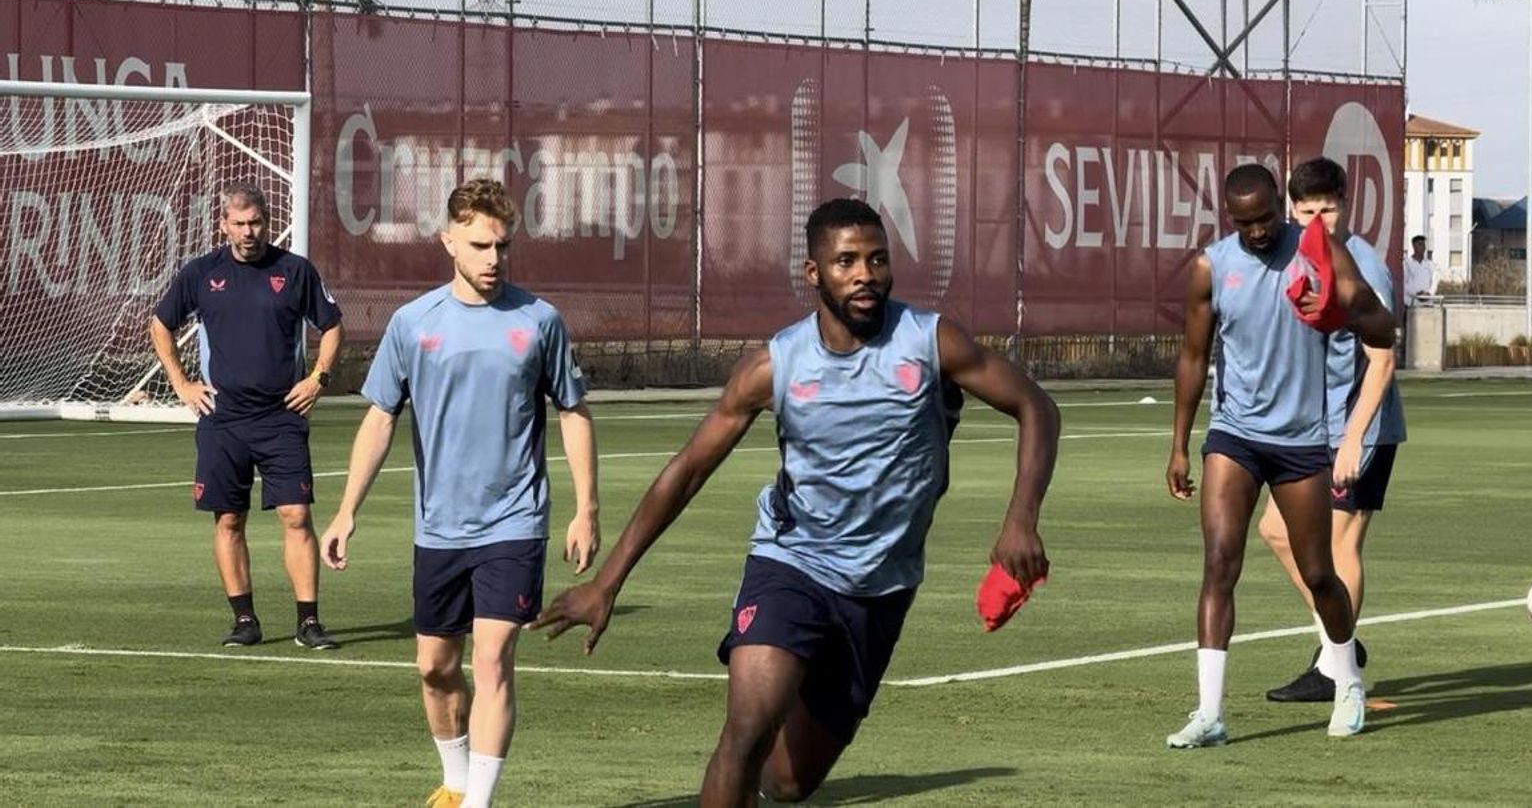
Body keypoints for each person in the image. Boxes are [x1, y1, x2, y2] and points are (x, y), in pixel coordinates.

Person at [532, 198, 1058, 805]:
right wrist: (607, 582)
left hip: (881, 587)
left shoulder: (930, 341)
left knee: (787, 780)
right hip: (791, 563)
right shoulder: (775, 366)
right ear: (814, 273)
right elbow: (688, 469)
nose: (864, 275)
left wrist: (1021, 519)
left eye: (877, 260)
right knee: (747, 730)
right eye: (846, 262)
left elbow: (1036, 407)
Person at [319, 178, 600, 808]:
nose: (493, 258)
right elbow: (380, 418)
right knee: (434, 668)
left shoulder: (539, 320)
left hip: (515, 521)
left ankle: (479, 803)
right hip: (439, 528)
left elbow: (573, 412)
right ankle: (455, 782)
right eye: (479, 245)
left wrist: (587, 508)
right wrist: (345, 512)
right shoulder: (412, 323)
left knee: (493, 659)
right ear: (448, 242)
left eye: (502, 245)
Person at [1165, 163, 1395, 747]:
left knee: (1320, 573)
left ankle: (1347, 680)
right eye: (1245, 223)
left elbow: (1383, 329)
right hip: (1234, 435)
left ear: (1278, 206)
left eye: (1266, 218)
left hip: (1301, 443)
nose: (1258, 231)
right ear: (1230, 218)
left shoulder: (1321, 253)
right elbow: (1193, 357)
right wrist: (1179, 445)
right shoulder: (1211, 266)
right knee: (1220, 563)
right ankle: (1209, 713)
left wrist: (1338, 307)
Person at [150, 181, 344, 650]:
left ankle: (308, 622)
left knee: (296, 515)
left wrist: (317, 378)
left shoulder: (294, 270)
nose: (248, 232)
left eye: (255, 222)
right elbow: (160, 325)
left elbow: (332, 325)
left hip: (281, 417)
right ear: (223, 225)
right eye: (238, 223)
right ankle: (244, 620)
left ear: (267, 222)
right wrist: (181, 383)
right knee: (229, 520)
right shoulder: (201, 273)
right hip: (223, 420)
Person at [1255, 158, 1406, 702]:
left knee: (1341, 543)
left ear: (1346, 204)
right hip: (1312, 428)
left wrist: (1353, 439)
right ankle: (1341, 641)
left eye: (1329, 209)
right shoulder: (1294, 258)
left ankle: (1336, 672)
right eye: (1307, 211)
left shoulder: (1364, 267)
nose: (1319, 220)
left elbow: (1383, 361)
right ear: (1292, 211)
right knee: (1276, 530)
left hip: (1362, 429)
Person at [1402, 235, 1437, 307]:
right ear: (1414, 246)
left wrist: (1429, 294)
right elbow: (1403, 284)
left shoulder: (1430, 264)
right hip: (1411, 304)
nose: (1423, 247)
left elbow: (1434, 282)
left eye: (1424, 245)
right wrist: (1417, 294)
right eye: (1420, 244)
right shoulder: (1406, 264)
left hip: (1427, 304)